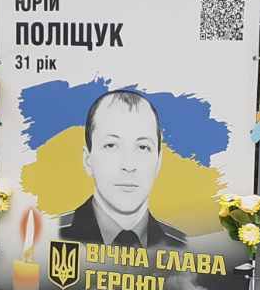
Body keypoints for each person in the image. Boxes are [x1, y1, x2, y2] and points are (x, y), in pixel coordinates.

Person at [58, 89, 186, 248]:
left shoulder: (184, 247)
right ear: (87, 160)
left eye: (143, 147)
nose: (128, 166)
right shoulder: (49, 236)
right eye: (111, 145)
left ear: (158, 161)